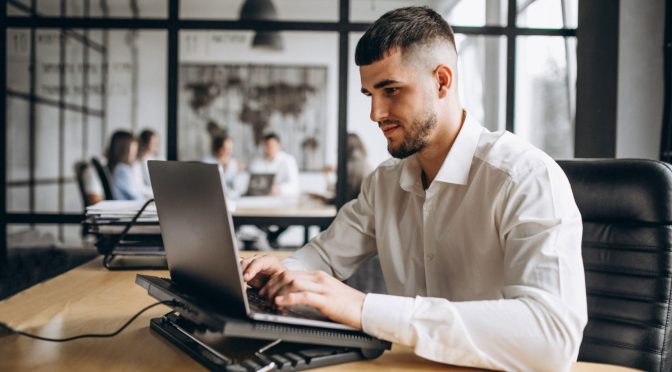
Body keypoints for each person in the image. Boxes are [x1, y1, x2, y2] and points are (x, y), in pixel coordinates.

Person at [241, 7, 587, 371]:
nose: (375, 113)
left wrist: (363, 309)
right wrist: (280, 273)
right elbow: (324, 257)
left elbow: (553, 337)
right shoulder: (384, 183)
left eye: (390, 90)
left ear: (441, 81)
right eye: (369, 93)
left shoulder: (525, 177)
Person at [248, 133, 300, 197]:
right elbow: (252, 185)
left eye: (271, 146)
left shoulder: (288, 160)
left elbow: (294, 186)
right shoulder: (257, 162)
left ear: (279, 146)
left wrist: (278, 189)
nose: (268, 150)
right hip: (262, 199)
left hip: (284, 199)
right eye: (265, 146)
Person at [106, 130, 143, 200]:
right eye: (133, 150)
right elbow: (136, 198)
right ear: (123, 150)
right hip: (128, 208)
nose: (135, 153)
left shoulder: (115, 167)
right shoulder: (122, 170)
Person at [134, 128, 159, 198]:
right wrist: (157, 193)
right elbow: (139, 187)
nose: (156, 145)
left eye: (157, 143)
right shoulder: (137, 162)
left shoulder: (157, 158)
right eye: (153, 143)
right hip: (146, 197)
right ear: (145, 143)